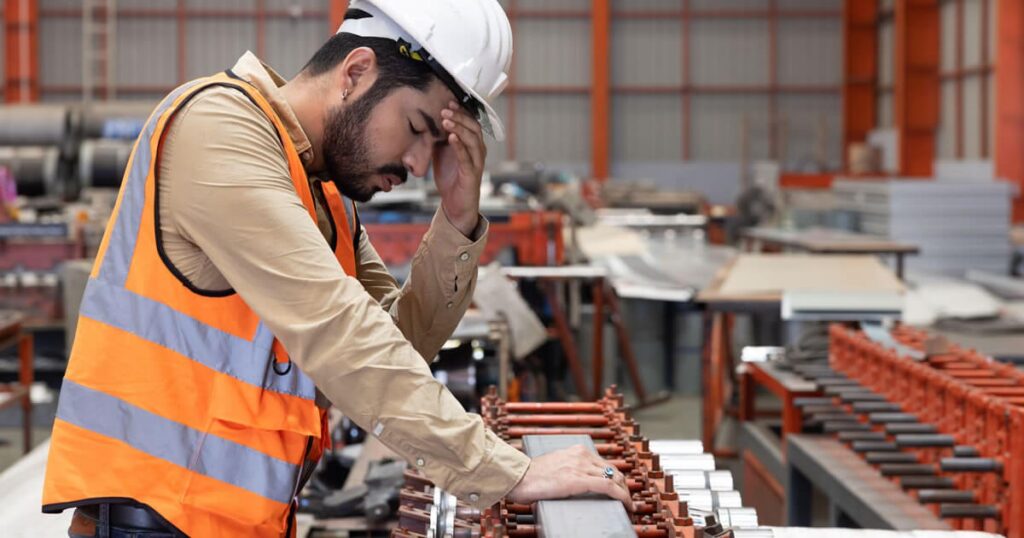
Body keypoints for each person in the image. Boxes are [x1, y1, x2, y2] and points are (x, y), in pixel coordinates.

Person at [41, 1, 631, 536]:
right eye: (418, 128)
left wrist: (456, 220)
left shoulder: (322, 195)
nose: (419, 164)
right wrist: (500, 471)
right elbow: (340, 332)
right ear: (356, 72)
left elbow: (396, 345)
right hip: (155, 521)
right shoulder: (219, 128)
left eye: (436, 146)